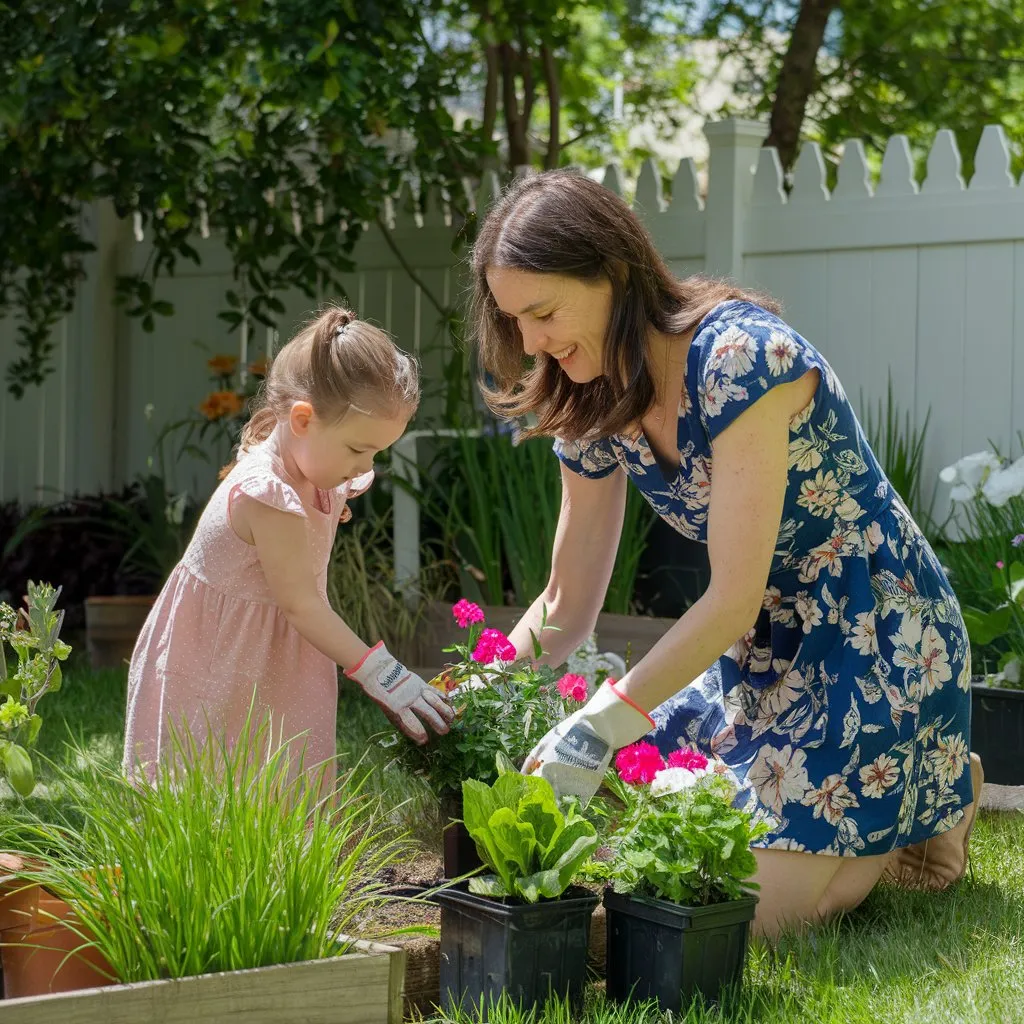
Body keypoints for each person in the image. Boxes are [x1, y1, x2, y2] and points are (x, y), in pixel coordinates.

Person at [468, 169, 982, 938]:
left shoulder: (741, 359)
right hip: (762, 652)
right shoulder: (587, 399)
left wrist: (602, 723)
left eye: (542, 313)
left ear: (612, 271)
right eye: (515, 321)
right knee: (646, 839)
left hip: (877, 635)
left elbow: (733, 595)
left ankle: (929, 787)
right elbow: (566, 604)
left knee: (752, 913)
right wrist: (477, 693)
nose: (530, 343)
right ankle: (913, 792)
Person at [123, 306, 453, 796]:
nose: (366, 466)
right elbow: (300, 603)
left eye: (377, 454)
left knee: (279, 788)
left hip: (276, 653)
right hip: (222, 661)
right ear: (302, 419)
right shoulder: (267, 495)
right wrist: (385, 674)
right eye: (359, 450)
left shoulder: (311, 462)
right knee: (216, 788)